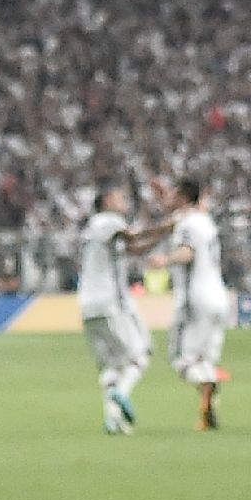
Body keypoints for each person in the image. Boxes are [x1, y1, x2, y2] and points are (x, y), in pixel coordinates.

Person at [77, 185, 157, 434]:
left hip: (88, 306)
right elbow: (135, 237)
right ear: (107, 200)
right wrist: (172, 224)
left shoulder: (97, 230)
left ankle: (112, 419)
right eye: (120, 196)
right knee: (140, 354)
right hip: (109, 302)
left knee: (110, 366)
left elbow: (136, 249)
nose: (124, 201)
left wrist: (163, 235)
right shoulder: (107, 221)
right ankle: (122, 395)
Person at [158, 178, 230, 428]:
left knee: (182, 359)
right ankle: (206, 415)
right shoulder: (205, 220)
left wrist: (164, 260)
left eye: (172, 193)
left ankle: (208, 384)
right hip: (219, 297)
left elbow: (187, 252)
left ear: (182, 196)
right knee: (206, 359)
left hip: (195, 299)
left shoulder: (187, 223)